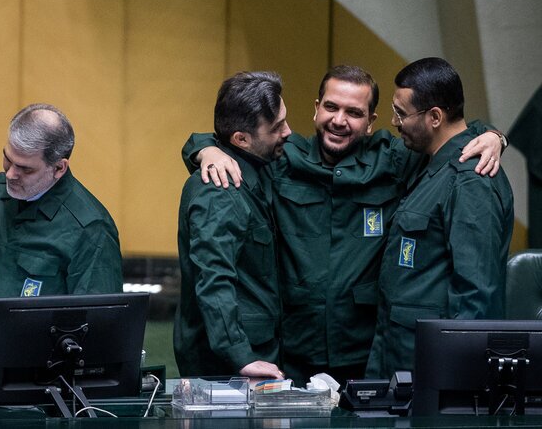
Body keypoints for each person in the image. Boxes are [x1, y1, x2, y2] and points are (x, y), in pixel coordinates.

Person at [185, 65, 505, 384]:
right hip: (294, 352)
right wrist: (205, 150)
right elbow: (236, 139)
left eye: (354, 112)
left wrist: (494, 137)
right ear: (316, 108)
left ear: (370, 122)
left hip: (365, 354)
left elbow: (452, 130)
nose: (339, 120)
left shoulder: (394, 160)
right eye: (331, 107)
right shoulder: (285, 158)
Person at [366, 58, 513, 377]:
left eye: (401, 113)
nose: (394, 121)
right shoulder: (429, 162)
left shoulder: (472, 182)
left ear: (434, 117)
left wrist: (456, 383)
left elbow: (476, 297)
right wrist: (495, 134)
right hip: (400, 354)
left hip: (435, 368)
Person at [0, 103, 123, 375]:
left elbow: (98, 331)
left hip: (39, 380)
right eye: (7, 159)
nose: (10, 174)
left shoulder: (90, 229)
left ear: (59, 168)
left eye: (25, 168)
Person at [174, 71, 291, 379]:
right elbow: (214, 277)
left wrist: (203, 148)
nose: (288, 132)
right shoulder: (220, 190)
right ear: (241, 139)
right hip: (230, 364)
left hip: (252, 348)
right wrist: (239, 355)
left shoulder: (255, 164)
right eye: (277, 127)